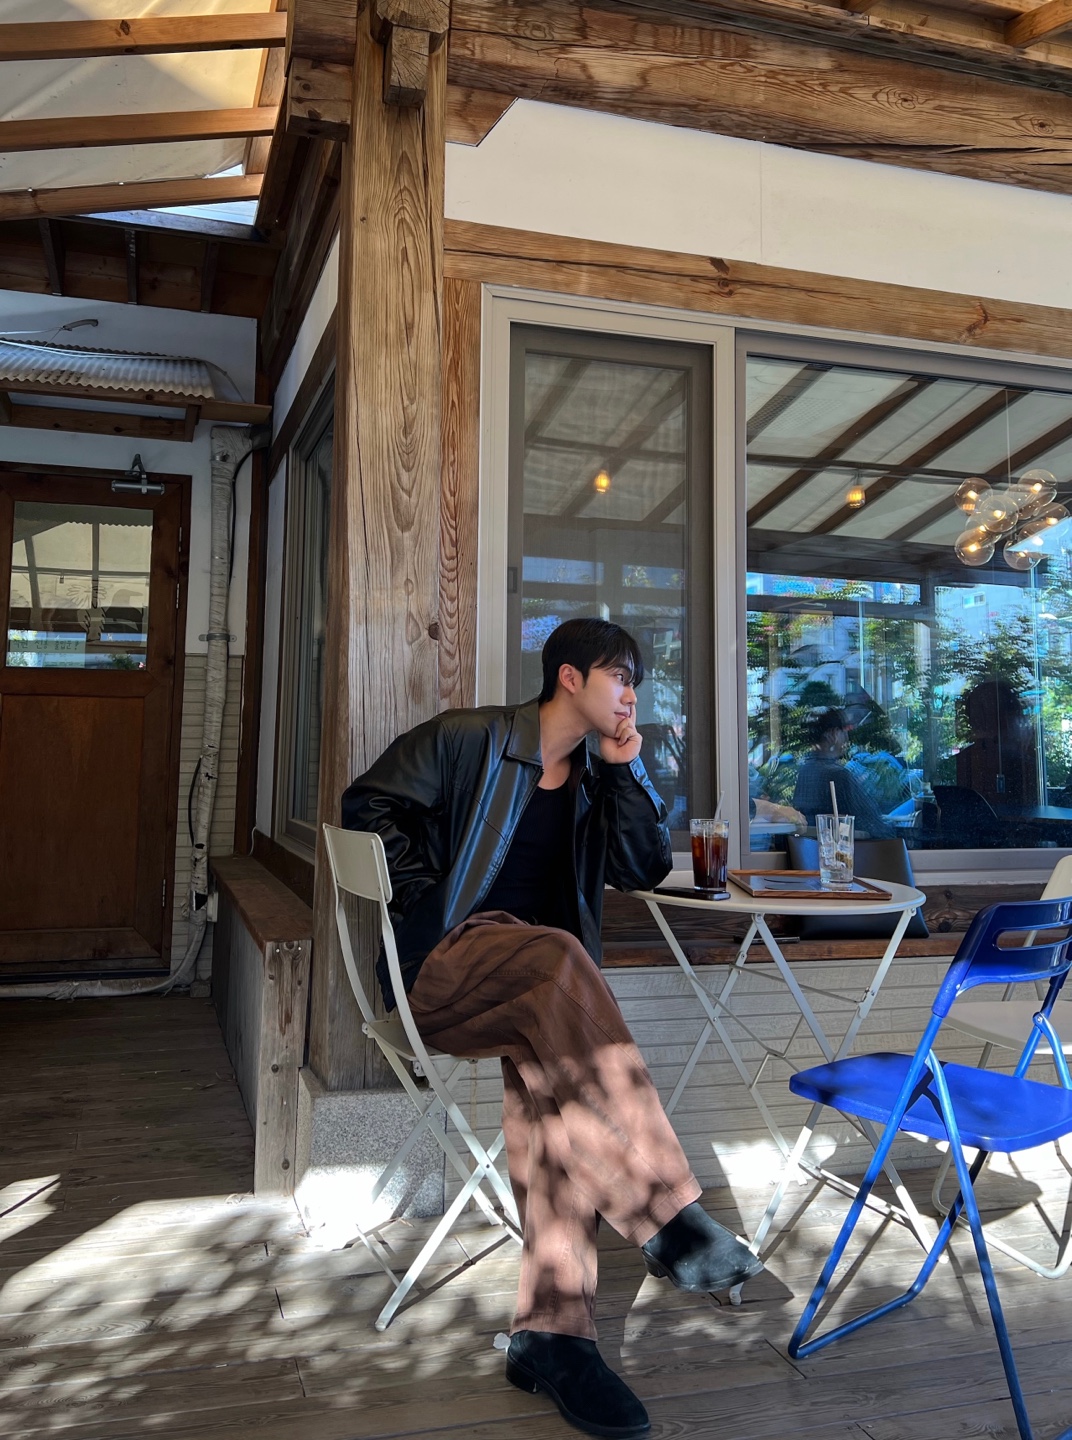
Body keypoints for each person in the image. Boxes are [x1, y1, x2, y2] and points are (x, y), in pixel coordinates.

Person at [342, 617, 762, 1440]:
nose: (632, 695)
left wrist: (628, 772)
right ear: (570, 677)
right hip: (442, 971)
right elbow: (368, 803)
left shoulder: (601, 777)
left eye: (636, 682)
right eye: (620, 677)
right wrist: (426, 895)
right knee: (560, 956)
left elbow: (643, 868)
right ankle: (666, 1214)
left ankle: (554, 1337)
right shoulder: (470, 739)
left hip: (537, 995)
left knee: (556, 1105)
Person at [792, 707, 894, 838]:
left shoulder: (805, 771)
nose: (847, 738)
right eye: (845, 730)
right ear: (833, 734)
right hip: (850, 847)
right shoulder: (837, 775)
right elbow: (872, 825)